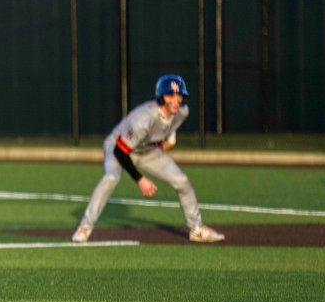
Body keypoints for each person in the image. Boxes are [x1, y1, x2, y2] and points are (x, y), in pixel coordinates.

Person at [72, 74, 224, 244]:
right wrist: (139, 179)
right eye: (170, 95)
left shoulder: (182, 112)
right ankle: (85, 226)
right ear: (161, 97)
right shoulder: (144, 118)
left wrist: (167, 141)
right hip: (118, 147)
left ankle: (196, 229)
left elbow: (167, 130)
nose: (176, 100)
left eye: (179, 95)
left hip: (147, 150)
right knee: (111, 178)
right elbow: (120, 151)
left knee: (182, 181)